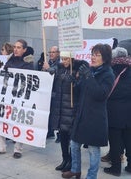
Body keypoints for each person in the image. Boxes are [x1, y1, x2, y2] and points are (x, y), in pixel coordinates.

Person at [62, 44, 115, 179]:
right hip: (82, 115)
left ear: (105, 58)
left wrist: (88, 77)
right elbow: (82, 91)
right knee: (74, 144)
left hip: (95, 118)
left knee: (93, 149)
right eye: (92, 54)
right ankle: (75, 170)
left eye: (97, 55)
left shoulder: (108, 74)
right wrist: (74, 82)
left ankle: (91, 176)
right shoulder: (90, 70)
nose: (93, 57)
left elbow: (100, 94)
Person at [0, 39, 34, 159]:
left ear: (24, 50)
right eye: (15, 47)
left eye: (19, 47)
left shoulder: (28, 63)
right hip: (5, 97)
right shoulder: (8, 60)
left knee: (18, 122)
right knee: (0, 119)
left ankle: (18, 149)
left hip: (18, 98)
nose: (16, 49)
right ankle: (0, 147)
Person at [51, 51, 89, 173]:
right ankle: (65, 159)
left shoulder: (78, 70)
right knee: (63, 136)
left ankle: (72, 161)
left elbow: (80, 88)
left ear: (72, 58)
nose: (64, 61)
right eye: (63, 59)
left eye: (67, 59)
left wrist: (76, 80)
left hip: (72, 109)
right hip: (61, 108)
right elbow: (54, 78)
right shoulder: (60, 68)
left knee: (72, 137)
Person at [103, 47, 131, 176]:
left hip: (114, 111)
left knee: (114, 141)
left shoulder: (111, 70)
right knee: (128, 139)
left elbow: (108, 90)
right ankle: (130, 166)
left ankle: (115, 168)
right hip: (128, 112)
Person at [43, 46, 61, 140]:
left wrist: (48, 68)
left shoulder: (60, 63)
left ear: (58, 53)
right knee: (48, 112)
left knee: (56, 113)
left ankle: (59, 133)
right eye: (50, 52)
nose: (51, 54)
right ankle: (49, 131)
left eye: (53, 52)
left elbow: (56, 73)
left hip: (56, 91)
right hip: (48, 91)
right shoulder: (48, 62)